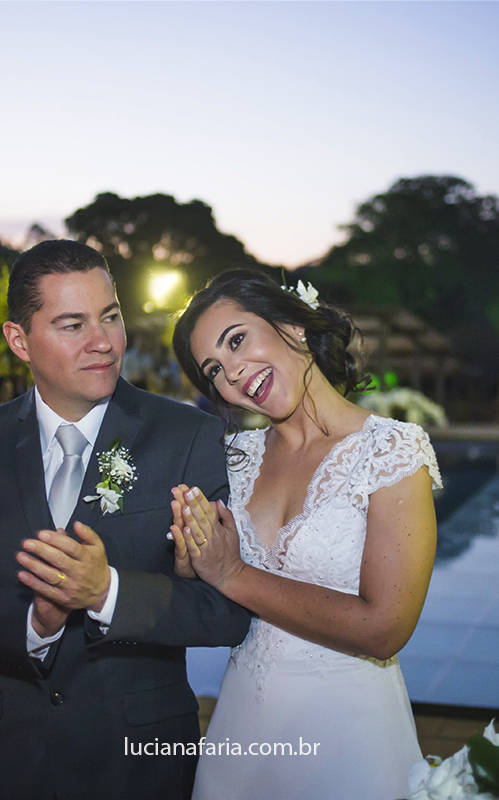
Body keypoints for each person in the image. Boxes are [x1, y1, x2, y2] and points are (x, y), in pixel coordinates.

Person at [0, 240, 251, 800]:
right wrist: (35, 621)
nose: (105, 342)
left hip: (137, 762)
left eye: (111, 317)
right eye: (73, 325)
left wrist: (108, 593)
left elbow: (224, 613)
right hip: (8, 760)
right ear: (19, 340)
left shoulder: (187, 436)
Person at [169, 269, 440, 800]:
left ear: (293, 326)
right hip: (242, 729)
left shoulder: (391, 452)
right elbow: (211, 599)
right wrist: (190, 565)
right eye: (214, 370)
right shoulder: (233, 460)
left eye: (237, 340)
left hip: (348, 737)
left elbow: (385, 628)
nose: (232, 373)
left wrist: (232, 573)